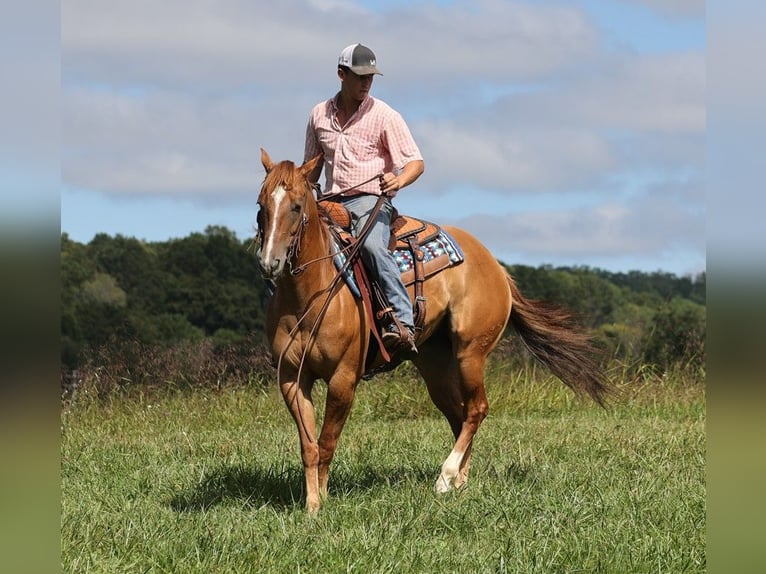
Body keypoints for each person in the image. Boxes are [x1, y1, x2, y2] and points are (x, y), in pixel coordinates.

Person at [304, 43, 424, 353]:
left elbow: (415, 162)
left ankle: (402, 320)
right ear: (341, 74)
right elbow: (312, 169)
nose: (366, 83)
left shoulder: (385, 116)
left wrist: (398, 179)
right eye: (360, 77)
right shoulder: (319, 115)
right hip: (329, 202)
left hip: (370, 202)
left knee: (371, 246)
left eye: (370, 77)